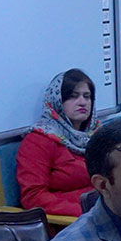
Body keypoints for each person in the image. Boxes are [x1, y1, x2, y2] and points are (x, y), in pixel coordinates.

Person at [16, 68, 100, 217]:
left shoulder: (97, 134)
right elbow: (33, 197)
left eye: (87, 97)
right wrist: (86, 213)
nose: (82, 102)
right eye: (73, 96)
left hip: (105, 209)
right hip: (68, 221)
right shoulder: (38, 140)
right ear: (57, 101)